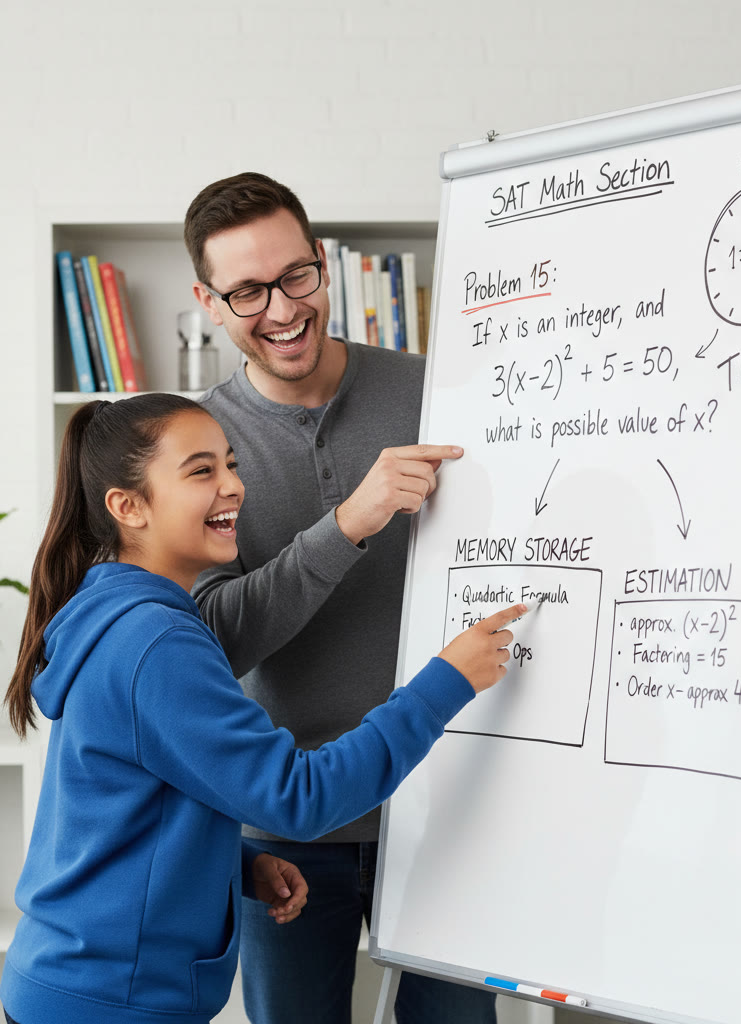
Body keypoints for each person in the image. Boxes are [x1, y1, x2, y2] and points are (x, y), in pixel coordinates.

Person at [0, 393, 524, 1024]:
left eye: (230, 464)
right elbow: (300, 798)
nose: (232, 487)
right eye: (201, 471)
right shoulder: (157, 644)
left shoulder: (117, 615)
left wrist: (236, 863)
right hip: (112, 1001)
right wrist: (445, 682)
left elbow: (127, 809)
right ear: (127, 507)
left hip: (73, 982)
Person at [185, 172, 501, 1023]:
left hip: (448, 806)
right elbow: (214, 640)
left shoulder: (436, 391)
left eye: (295, 276)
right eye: (247, 291)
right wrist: (350, 521)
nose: (282, 308)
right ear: (209, 302)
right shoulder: (195, 445)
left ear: (322, 265)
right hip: (283, 831)